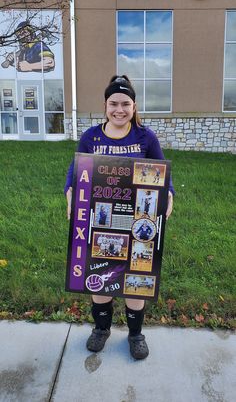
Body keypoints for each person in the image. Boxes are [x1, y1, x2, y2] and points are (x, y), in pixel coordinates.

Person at [65, 75, 174, 360]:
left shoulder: (145, 136)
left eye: (126, 103)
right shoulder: (91, 136)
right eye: (114, 103)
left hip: (136, 220)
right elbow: (75, 174)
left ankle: (136, 334)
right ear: (105, 105)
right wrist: (70, 197)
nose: (119, 109)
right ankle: (101, 329)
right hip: (100, 221)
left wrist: (169, 195)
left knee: (134, 283)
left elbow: (162, 174)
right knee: (99, 278)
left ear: (134, 106)